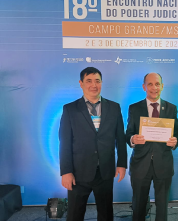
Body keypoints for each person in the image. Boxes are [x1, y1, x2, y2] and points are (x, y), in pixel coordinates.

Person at [59, 67, 127, 221]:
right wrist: (66, 171)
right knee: (75, 214)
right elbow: (65, 142)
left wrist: (122, 164)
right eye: (88, 81)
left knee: (106, 213)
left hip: (105, 172)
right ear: (81, 83)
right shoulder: (70, 109)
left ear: (101, 83)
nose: (93, 85)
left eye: (97, 81)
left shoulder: (114, 107)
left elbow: (120, 139)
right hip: (78, 172)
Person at [126, 72, 178, 221]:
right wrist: (132, 138)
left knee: (162, 207)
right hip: (140, 164)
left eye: (157, 84)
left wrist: (175, 141)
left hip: (163, 164)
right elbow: (128, 133)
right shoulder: (134, 108)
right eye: (150, 84)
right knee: (138, 206)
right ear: (144, 87)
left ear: (162, 86)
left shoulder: (171, 108)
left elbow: (177, 133)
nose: (154, 87)